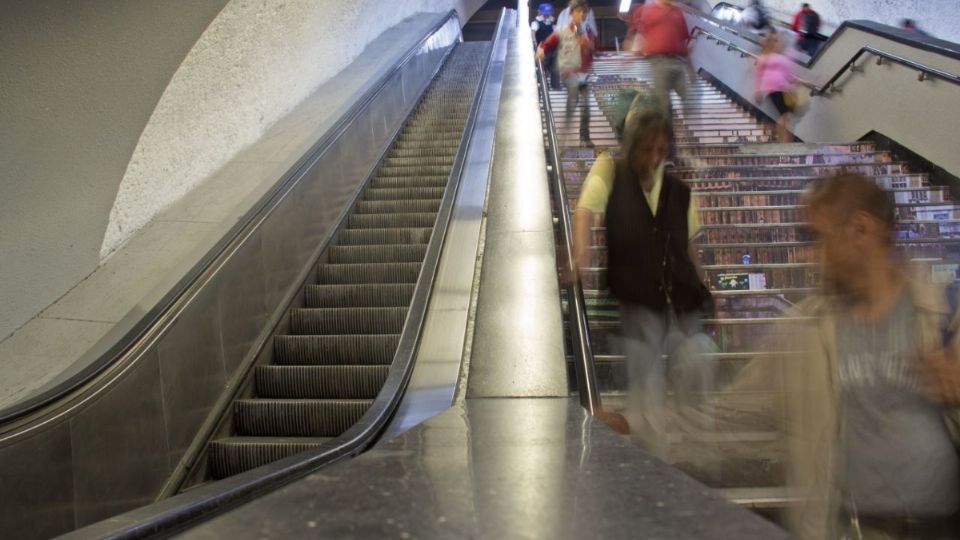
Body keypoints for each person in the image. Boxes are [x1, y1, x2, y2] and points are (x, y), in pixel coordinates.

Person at [749, 173, 960, 539]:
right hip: (861, 528)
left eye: (820, 238)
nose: (812, 255)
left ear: (860, 230)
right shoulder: (806, 328)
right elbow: (731, 409)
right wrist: (634, 423)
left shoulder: (945, 311)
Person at [572, 104, 713, 456]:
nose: (653, 158)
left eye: (660, 151)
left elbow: (689, 247)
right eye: (646, 149)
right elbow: (586, 208)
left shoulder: (678, 191)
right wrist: (581, 253)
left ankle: (694, 452)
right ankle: (658, 460)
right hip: (637, 300)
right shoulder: (611, 170)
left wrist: (705, 284)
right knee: (646, 384)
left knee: (696, 362)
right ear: (631, 146)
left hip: (680, 299)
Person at [536, 1, 598, 148]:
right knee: (574, 96)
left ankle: (584, 137)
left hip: (583, 74)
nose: (581, 15)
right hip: (569, 72)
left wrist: (588, 45)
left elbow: (594, 50)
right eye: (578, 12)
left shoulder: (588, 32)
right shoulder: (563, 30)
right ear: (572, 14)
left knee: (586, 105)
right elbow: (550, 41)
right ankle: (563, 136)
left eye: (583, 12)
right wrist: (542, 49)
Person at [629, 0, 693, 117]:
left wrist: (690, 68)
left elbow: (684, 40)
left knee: (688, 98)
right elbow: (639, 34)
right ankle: (666, 131)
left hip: (677, 61)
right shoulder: (647, 10)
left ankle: (692, 127)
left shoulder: (678, 12)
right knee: (663, 104)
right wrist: (633, 54)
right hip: (658, 62)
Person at [754, 32, 796, 143]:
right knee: (784, 116)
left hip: (783, 89)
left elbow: (788, 76)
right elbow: (759, 75)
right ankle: (782, 141)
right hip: (773, 89)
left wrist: (800, 82)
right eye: (774, 41)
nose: (776, 43)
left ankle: (783, 140)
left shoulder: (780, 57)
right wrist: (758, 90)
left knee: (785, 117)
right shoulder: (764, 57)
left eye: (776, 41)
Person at [531, 3, 562, 90]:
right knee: (542, 69)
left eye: (549, 13)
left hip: (553, 49)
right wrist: (534, 44)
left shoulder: (552, 22)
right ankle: (543, 87)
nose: (547, 15)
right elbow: (533, 34)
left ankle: (555, 85)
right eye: (545, 13)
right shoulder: (536, 22)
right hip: (542, 49)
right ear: (540, 12)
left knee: (555, 68)